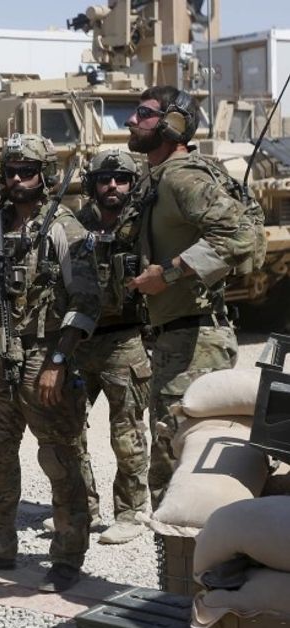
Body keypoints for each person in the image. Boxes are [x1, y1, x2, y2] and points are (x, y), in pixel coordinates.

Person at [0, 133, 101, 593]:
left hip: (42, 355)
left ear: (44, 175)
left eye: (27, 172)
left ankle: (68, 557)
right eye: (11, 171)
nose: (17, 180)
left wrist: (58, 360)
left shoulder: (63, 228)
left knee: (60, 458)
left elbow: (87, 302)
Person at [123, 86, 255, 509]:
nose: (131, 121)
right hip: (178, 339)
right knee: (174, 462)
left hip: (194, 344)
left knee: (183, 472)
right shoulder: (160, 177)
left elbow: (241, 235)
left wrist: (168, 273)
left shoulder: (183, 178)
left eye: (144, 113)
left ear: (172, 125)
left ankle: (191, 551)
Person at [67, 149, 152, 545]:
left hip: (125, 339)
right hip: (81, 339)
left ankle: (131, 512)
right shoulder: (75, 224)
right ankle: (82, 508)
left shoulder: (145, 224)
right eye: (104, 179)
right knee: (69, 428)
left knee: (127, 432)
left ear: (133, 184)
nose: (112, 186)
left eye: (121, 179)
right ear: (93, 184)